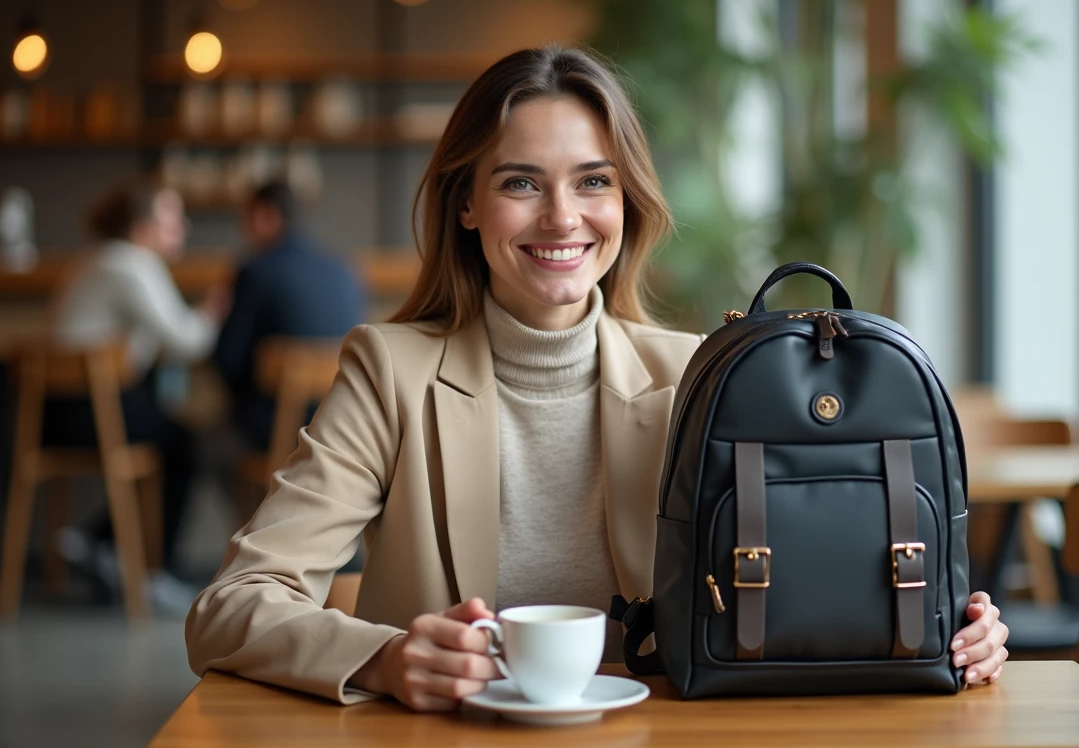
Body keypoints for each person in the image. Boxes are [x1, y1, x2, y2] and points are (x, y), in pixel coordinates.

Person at [185, 46, 1009, 710]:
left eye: (593, 181)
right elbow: (230, 607)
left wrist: (950, 630)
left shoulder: (700, 375)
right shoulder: (389, 371)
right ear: (465, 204)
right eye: (519, 183)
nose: (561, 218)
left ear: (628, 203)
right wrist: (385, 658)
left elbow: (799, 593)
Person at [49, 180, 226, 608]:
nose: (182, 227)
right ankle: (151, 572)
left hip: (54, 411)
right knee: (185, 444)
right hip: (89, 411)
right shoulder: (133, 265)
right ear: (143, 227)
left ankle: (97, 542)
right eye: (171, 218)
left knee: (166, 434)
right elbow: (188, 340)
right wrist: (216, 310)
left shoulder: (96, 260)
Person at [212, 180, 366, 453]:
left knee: (204, 445)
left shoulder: (255, 271)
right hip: (339, 426)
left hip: (275, 430)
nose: (242, 228)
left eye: (246, 217)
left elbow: (228, 361)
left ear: (264, 215)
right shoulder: (344, 269)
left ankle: (261, 497)